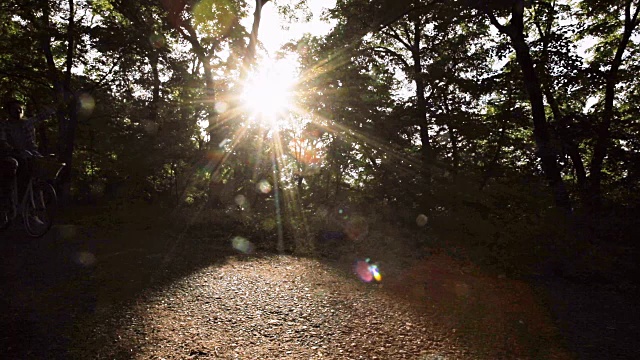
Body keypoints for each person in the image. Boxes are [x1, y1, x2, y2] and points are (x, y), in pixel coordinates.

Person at [0, 98, 55, 213]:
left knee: (39, 177)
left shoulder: (27, 123)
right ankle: (11, 204)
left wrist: (54, 104)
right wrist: (12, 149)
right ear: (9, 111)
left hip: (31, 154)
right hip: (13, 155)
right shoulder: (5, 126)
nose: (18, 111)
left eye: (21, 109)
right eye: (15, 109)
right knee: (14, 172)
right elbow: (3, 141)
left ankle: (37, 210)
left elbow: (43, 115)